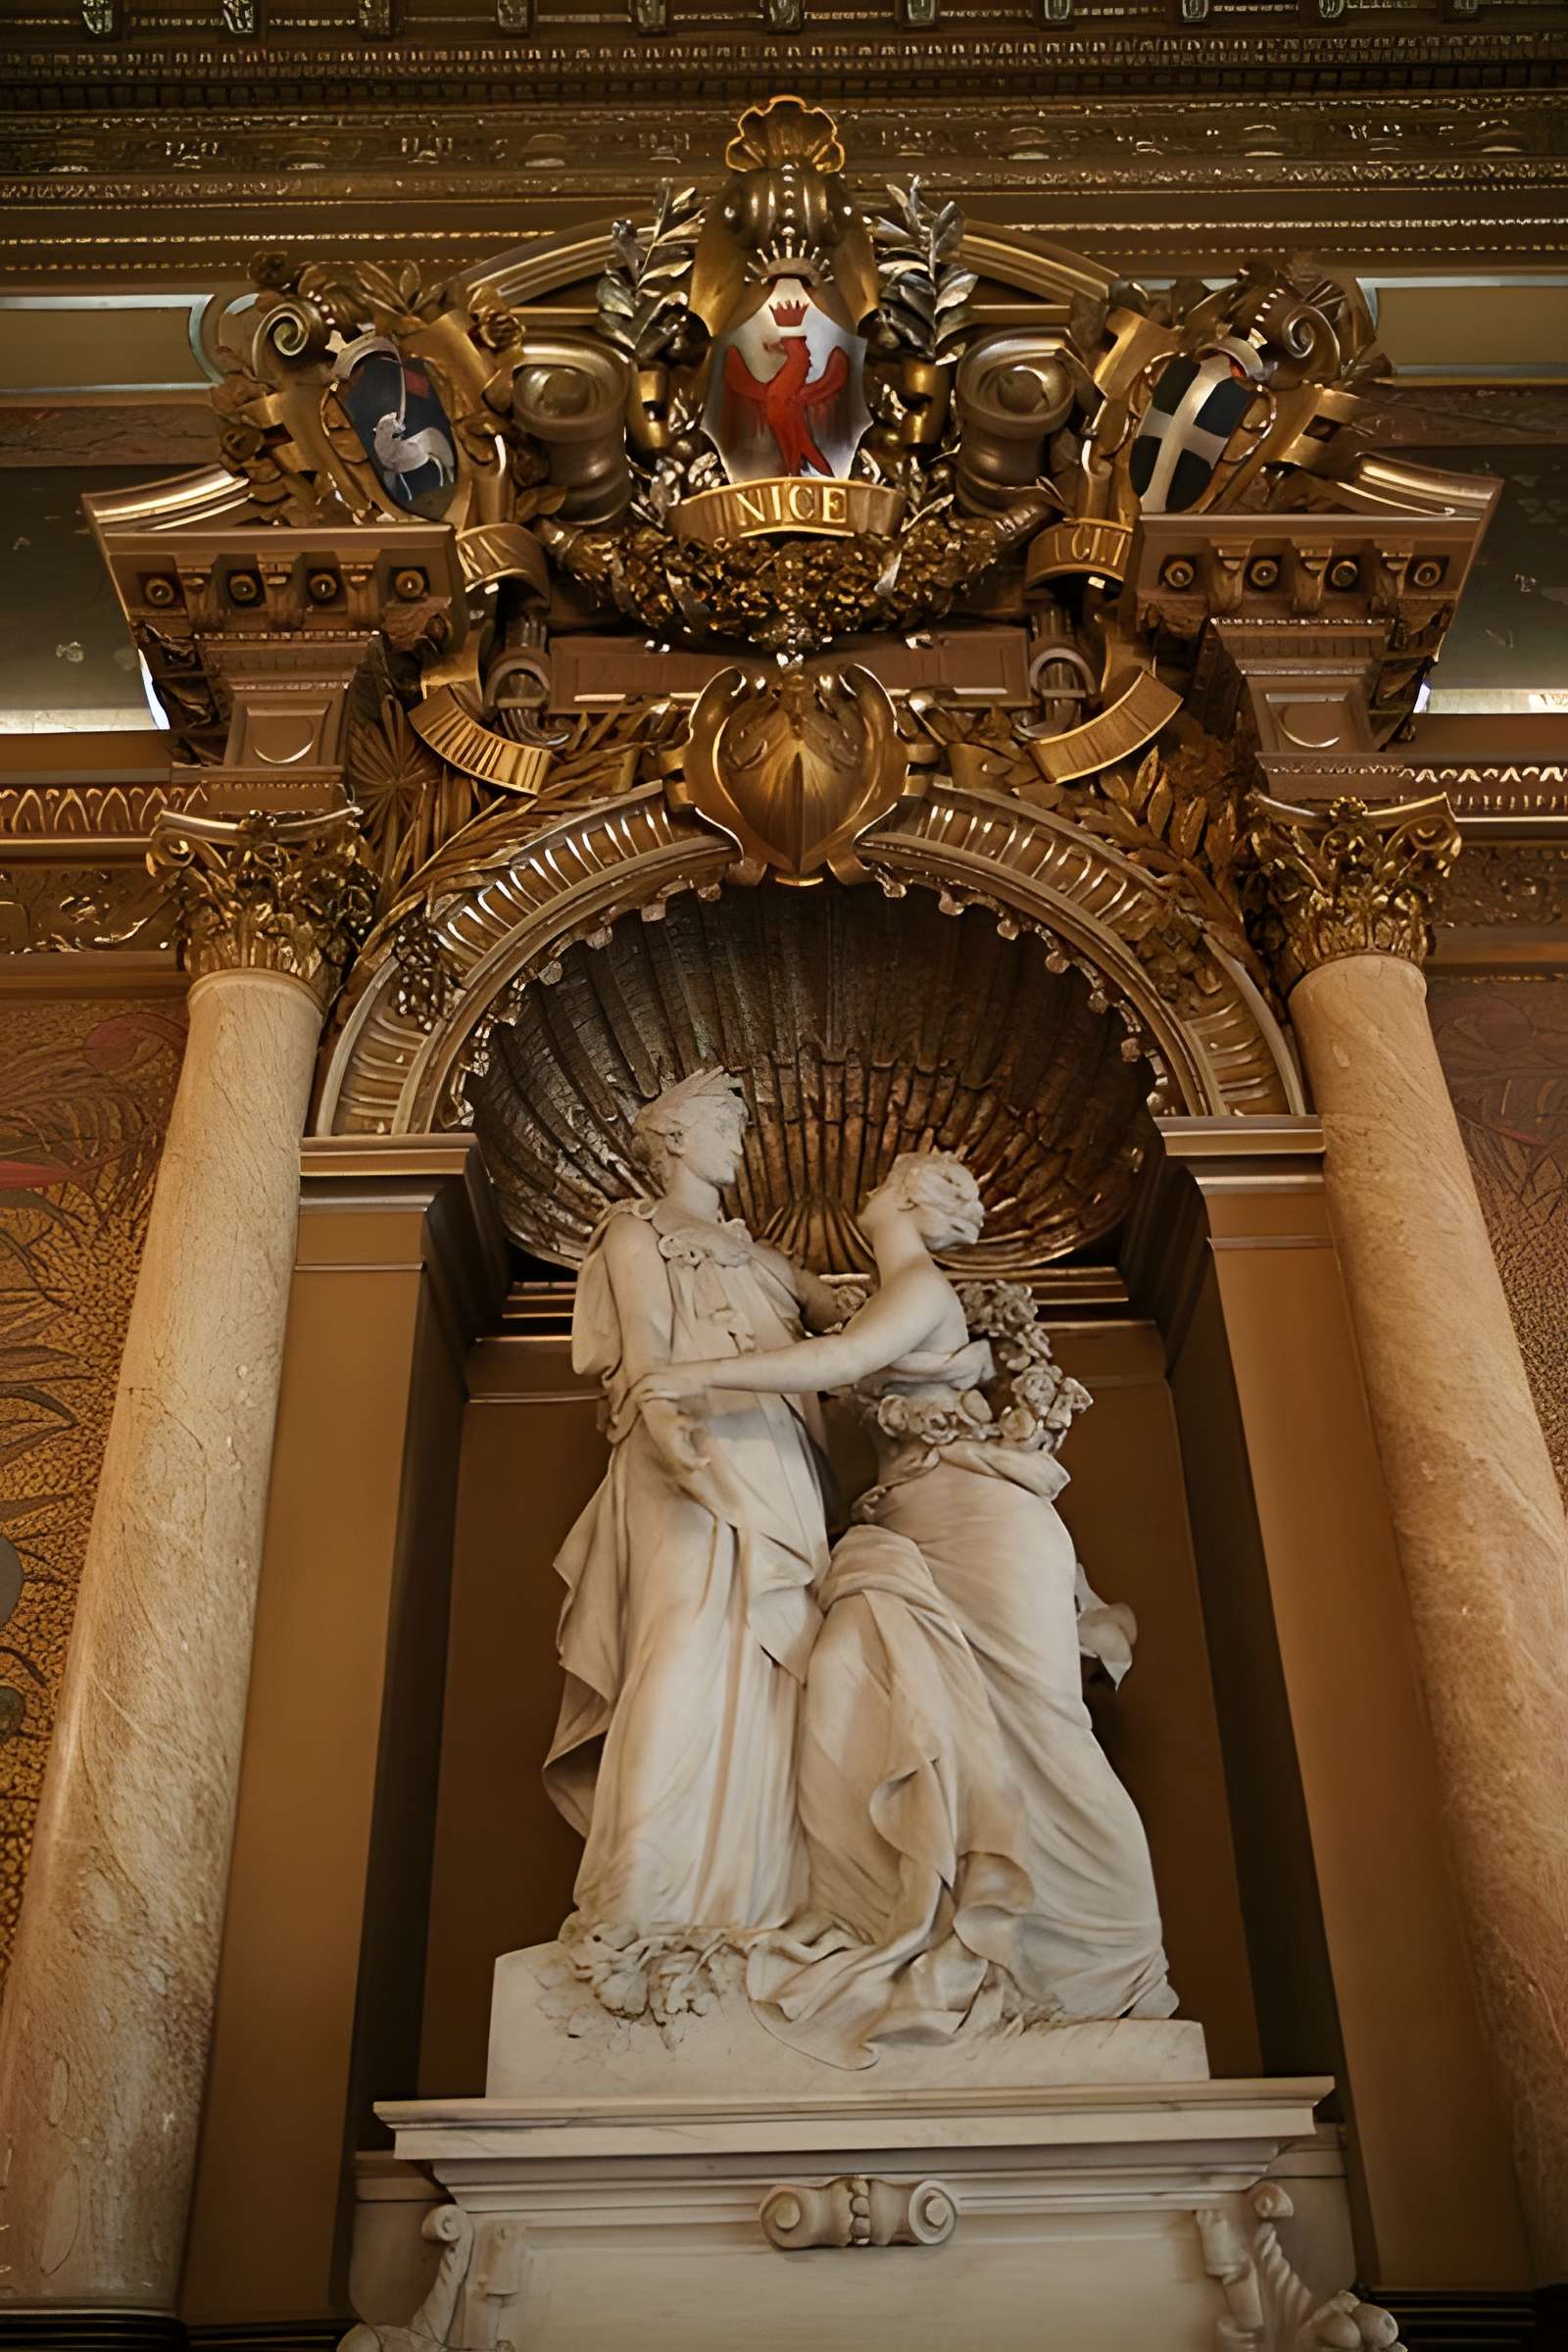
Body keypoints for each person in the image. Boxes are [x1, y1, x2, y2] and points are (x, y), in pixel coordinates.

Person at [630, 1148, 1175, 2066]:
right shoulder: (890, 1288)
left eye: (889, 1178)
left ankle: (1117, 1963)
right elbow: (801, 1293)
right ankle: (905, 1916)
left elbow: (841, 1357)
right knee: (868, 1679)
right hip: (916, 1533)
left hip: (980, 1525)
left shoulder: (917, 1288)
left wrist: (693, 1381)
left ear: (914, 1201)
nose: (872, 1187)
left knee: (1042, 1733)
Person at [543, 1068, 838, 2022]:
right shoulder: (635, 1233)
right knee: (676, 1655)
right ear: (670, 1138)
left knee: (781, 1668)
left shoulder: (768, 1256)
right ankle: (636, 1896)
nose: (739, 1143)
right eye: (723, 1125)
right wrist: (673, 1441)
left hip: (780, 1463)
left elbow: (852, 1331)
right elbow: (644, 1356)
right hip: (682, 1454)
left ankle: (766, 1901)